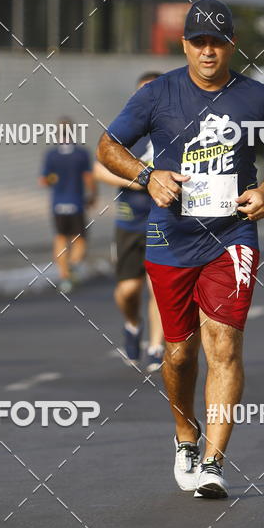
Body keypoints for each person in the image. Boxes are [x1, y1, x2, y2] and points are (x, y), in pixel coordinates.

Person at [96, 0, 264, 499]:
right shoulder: (157, 94)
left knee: (224, 346)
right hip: (171, 235)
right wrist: (148, 176)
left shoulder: (258, 99)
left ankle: (214, 461)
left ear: (233, 45)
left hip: (231, 235)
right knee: (179, 353)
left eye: (218, 41)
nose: (209, 51)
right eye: (199, 42)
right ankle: (186, 436)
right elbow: (106, 146)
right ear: (184, 44)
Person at [94, 73, 165, 372]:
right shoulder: (125, 131)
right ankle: (132, 325)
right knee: (128, 291)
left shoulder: (174, 131)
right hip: (128, 223)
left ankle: (156, 347)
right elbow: (98, 169)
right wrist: (137, 181)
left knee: (159, 289)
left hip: (164, 222)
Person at [39, 120, 96, 293]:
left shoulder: (51, 154)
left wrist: (54, 180)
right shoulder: (81, 154)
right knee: (80, 240)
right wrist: (93, 196)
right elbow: (88, 178)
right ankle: (74, 265)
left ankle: (64, 277)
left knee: (60, 238)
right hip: (77, 203)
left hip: (58, 205)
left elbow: (43, 181)